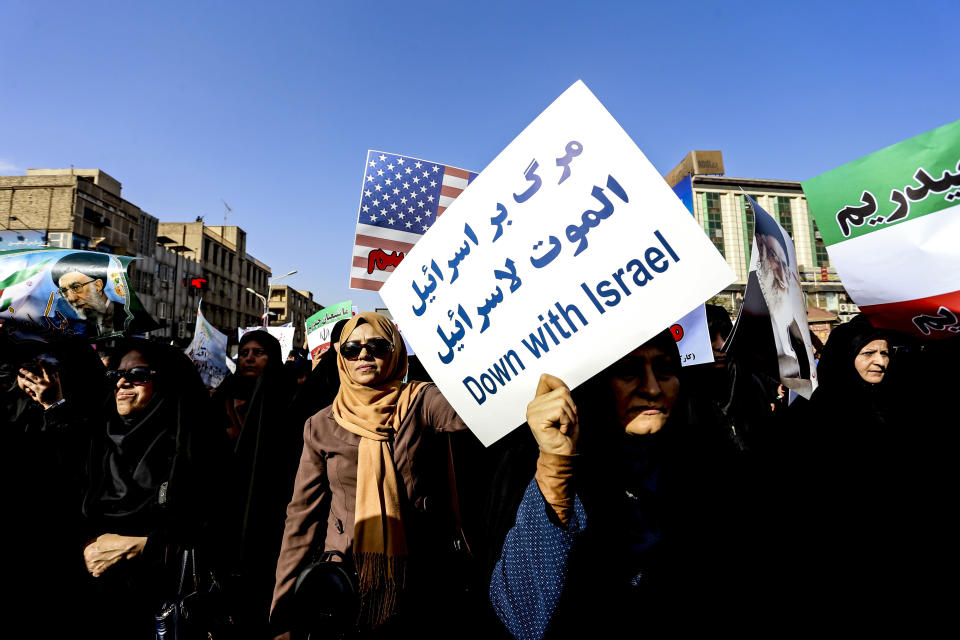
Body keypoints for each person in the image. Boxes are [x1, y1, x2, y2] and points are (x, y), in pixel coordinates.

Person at [488, 329, 765, 638]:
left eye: (664, 369)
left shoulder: (716, 462)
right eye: (627, 372)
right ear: (598, 384)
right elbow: (522, 618)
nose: (651, 388)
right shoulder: (540, 465)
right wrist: (556, 470)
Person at [271, 312, 481, 638]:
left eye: (377, 346)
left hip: (420, 575)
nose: (364, 355)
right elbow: (300, 517)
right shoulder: (322, 425)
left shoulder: (420, 401)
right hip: (347, 580)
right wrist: (283, 608)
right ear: (341, 358)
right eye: (352, 349)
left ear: (395, 350)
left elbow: (471, 411)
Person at [81, 338, 223, 639]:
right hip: (103, 599)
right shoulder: (100, 439)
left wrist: (144, 544)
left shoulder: (191, 443)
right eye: (115, 375)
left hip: (165, 605)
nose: (122, 383)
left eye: (138, 375)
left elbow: (214, 522)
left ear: (165, 382)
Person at [215, 329, 304, 635]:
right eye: (244, 352)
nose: (249, 358)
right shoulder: (224, 394)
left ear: (272, 357)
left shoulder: (286, 395)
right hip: (228, 500)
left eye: (258, 352)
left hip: (269, 500)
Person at [50, 252, 125, 334]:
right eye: (64, 291)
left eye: (76, 287)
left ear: (98, 286)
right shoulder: (72, 324)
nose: (71, 298)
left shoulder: (129, 316)